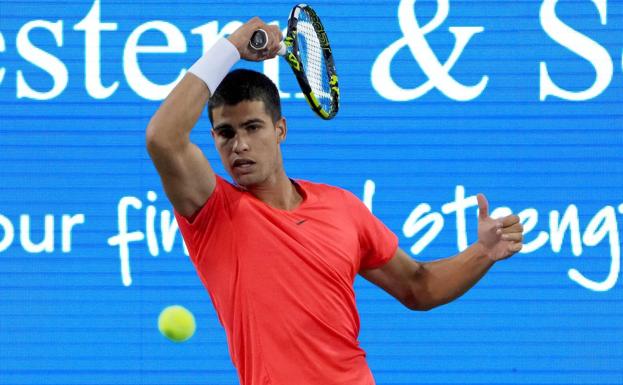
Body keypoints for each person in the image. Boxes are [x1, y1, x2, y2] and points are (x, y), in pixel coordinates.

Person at [146, 17, 524, 385]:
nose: (239, 144)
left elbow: (419, 287)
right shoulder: (213, 212)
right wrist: (230, 48)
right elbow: (163, 137)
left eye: (252, 127)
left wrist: (484, 252)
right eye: (225, 133)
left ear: (280, 130)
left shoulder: (341, 207)